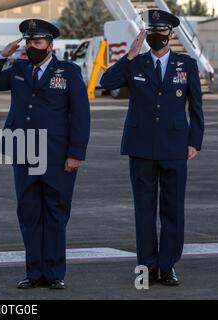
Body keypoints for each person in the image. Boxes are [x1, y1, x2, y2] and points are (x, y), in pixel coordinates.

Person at [0, 19, 90, 289]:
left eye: (37, 42)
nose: (32, 47)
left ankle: (54, 273)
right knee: (29, 214)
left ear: (50, 45)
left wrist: (76, 153)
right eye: (29, 42)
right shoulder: (18, 68)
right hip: (24, 150)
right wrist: (2, 55)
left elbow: (80, 115)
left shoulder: (68, 71)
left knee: (55, 213)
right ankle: (34, 272)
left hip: (56, 154)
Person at [100, 9, 204, 286]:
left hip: (175, 148)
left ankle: (168, 265)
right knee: (144, 211)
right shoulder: (135, 63)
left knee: (173, 210)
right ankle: (147, 266)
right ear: (145, 34)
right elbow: (106, 82)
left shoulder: (186, 65)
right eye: (152, 32)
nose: (157, 36)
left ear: (170, 34)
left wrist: (194, 142)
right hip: (141, 147)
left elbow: (196, 109)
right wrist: (130, 55)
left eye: (161, 32)